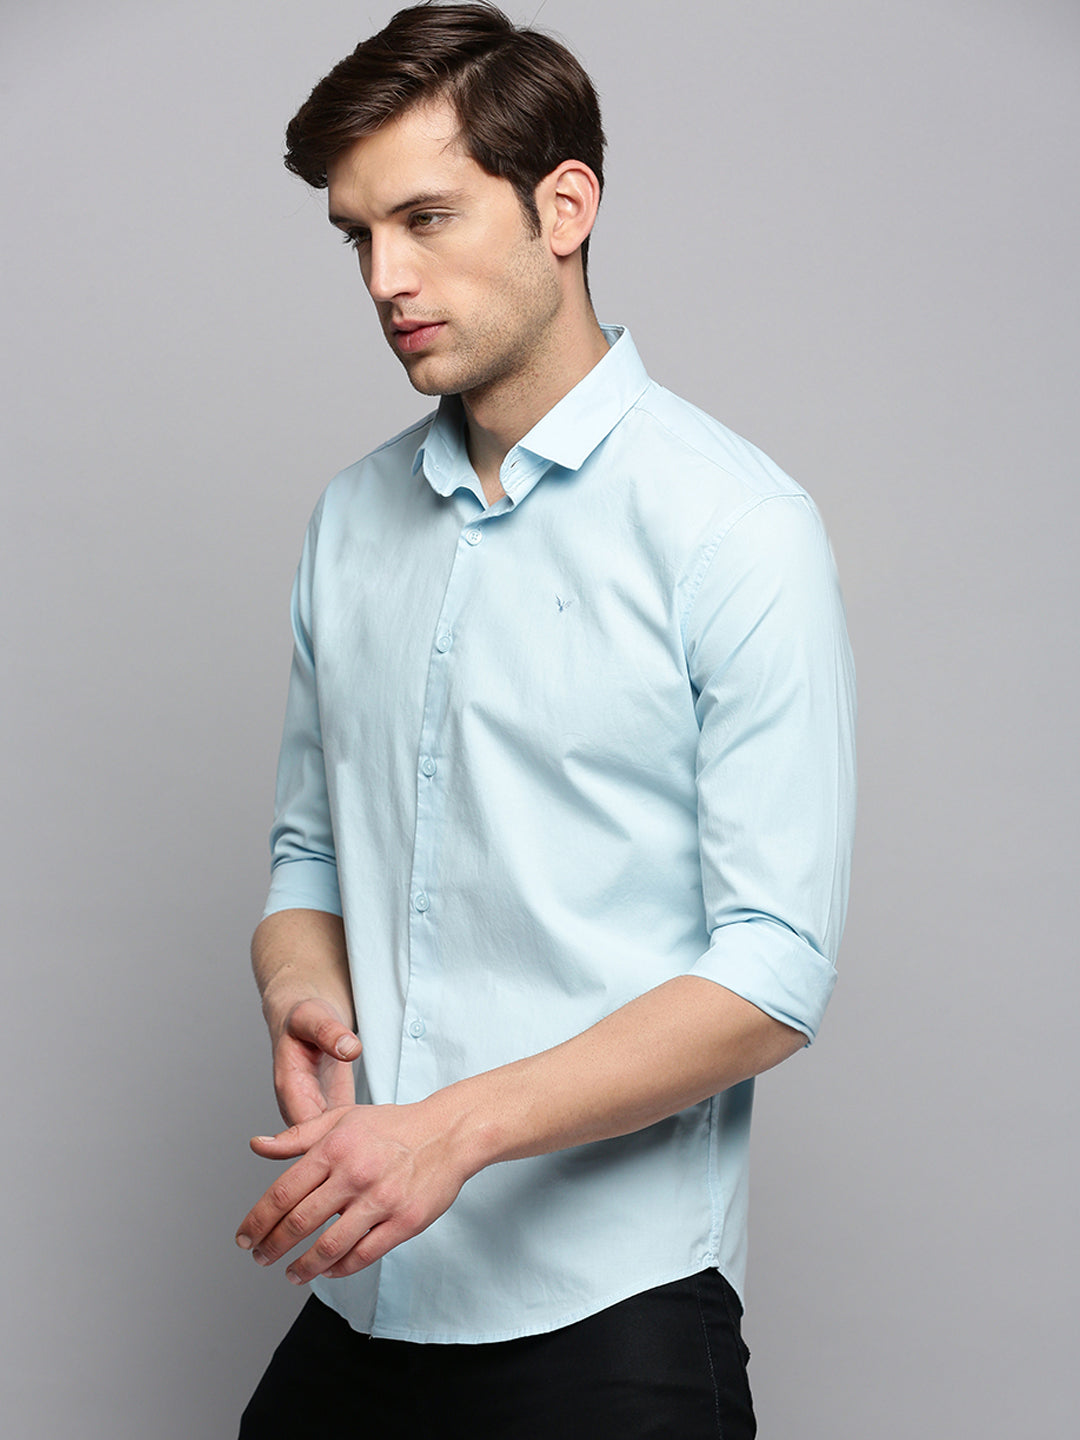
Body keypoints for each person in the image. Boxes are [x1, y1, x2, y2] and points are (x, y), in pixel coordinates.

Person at [235, 4, 856, 1436]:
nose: (386, 278)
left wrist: (450, 1133)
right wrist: (301, 994)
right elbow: (307, 855)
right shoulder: (349, 521)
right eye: (358, 236)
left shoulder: (735, 528)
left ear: (564, 206)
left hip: (613, 1316)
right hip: (365, 1286)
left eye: (426, 218)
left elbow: (774, 967)